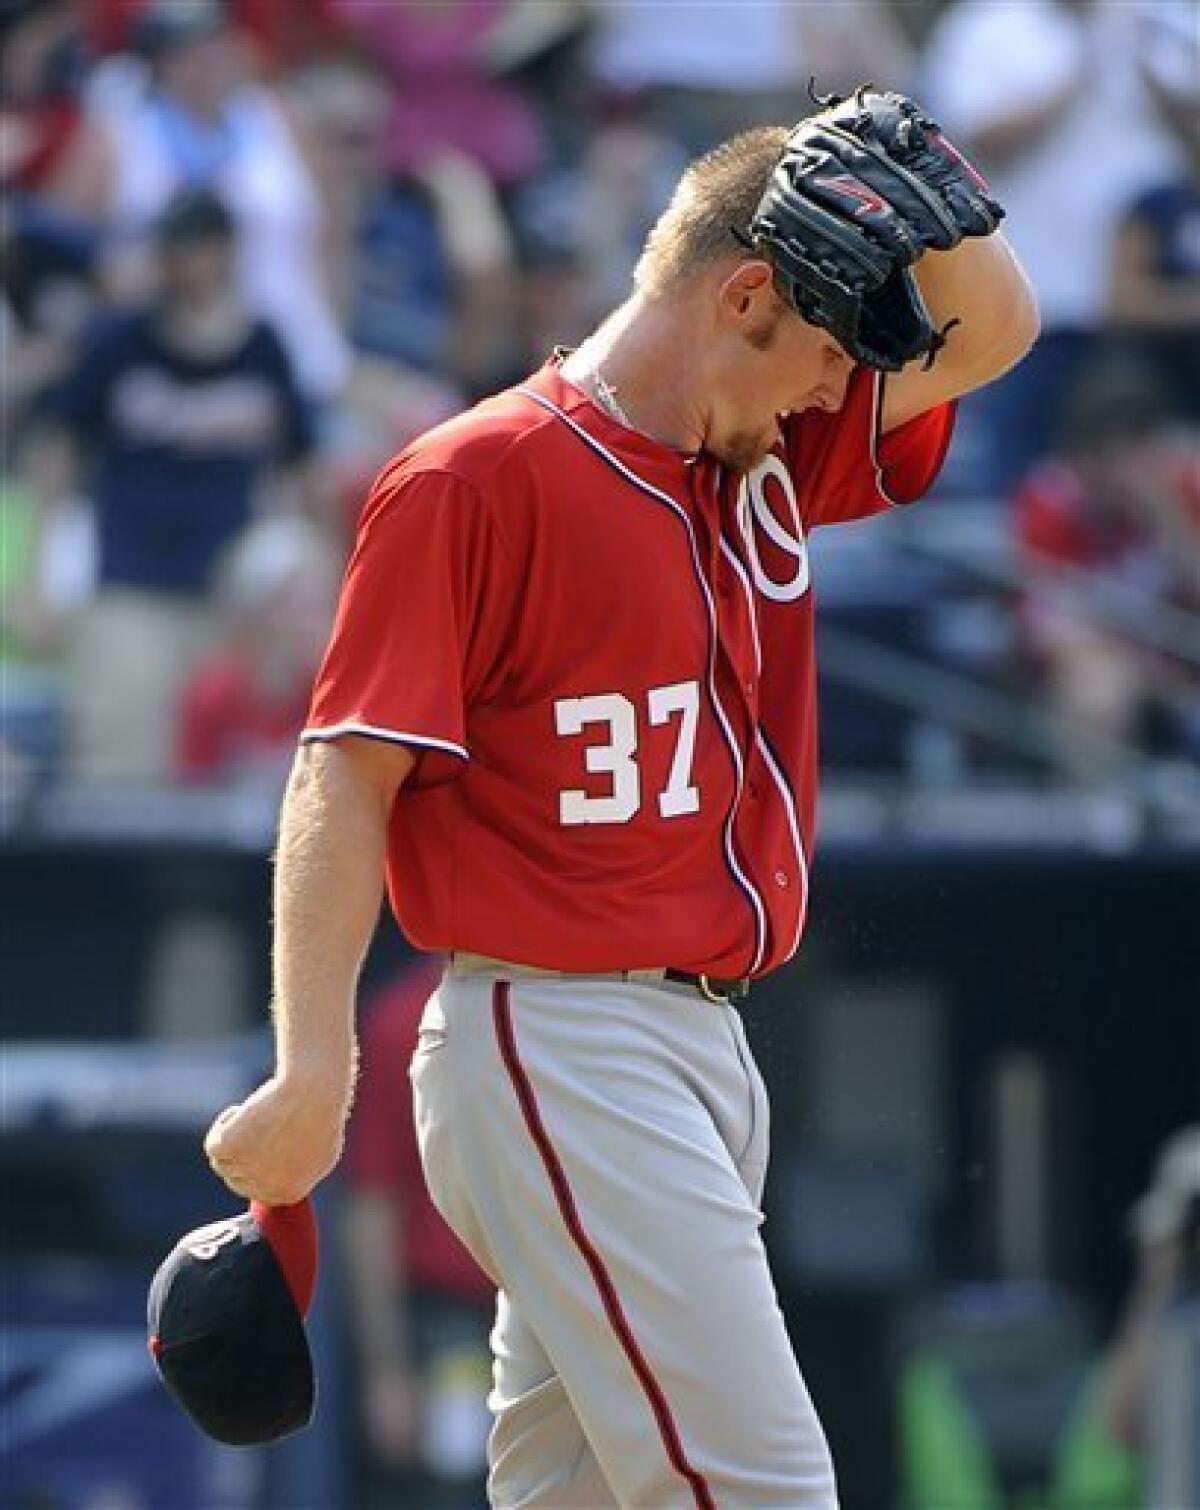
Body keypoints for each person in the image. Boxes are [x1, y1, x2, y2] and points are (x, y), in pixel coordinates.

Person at [203, 94, 1038, 1505]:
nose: (843, 394)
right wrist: (314, 1066)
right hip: (561, 1034)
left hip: (692, 1050)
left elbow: (997, 327)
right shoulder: (476, 477)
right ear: (746, 295)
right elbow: (343, 773)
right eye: (830, 353)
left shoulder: (757, 443)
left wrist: (876, 138)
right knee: (763, 1489)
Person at [27, 188, 316, 783]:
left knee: (239, 781)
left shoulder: (265, 349)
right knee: (118, 773)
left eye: (198, 248)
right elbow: (56, 448)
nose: (184, 263)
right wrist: (41, 570)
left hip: (234, 600)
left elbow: (301, 469)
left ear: (225, 253)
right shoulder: (118, 342)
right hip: (131, 586)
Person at [343, 954, 494, 1508]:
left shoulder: (568, 1013)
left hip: (550, 1316)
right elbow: (371, 1206)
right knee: (452, 1491)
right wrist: (387, 1369)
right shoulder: (402, 1019)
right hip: (446, 1325)